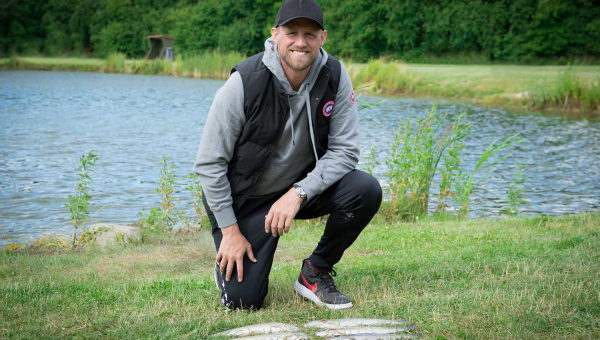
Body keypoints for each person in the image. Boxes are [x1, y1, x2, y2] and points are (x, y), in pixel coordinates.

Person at [193, 0, 382, 311]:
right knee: (244, 302)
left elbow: (346, 151)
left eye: (310, 34)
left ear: (323, 38)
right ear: (275, 35)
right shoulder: (243, 82)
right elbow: (209, 164)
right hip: (243, 198)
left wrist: (298, 192)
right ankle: (226, 263)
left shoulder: (334, 74)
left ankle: (315, 271)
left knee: (364, 189)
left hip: (293, 191)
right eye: (292, 32)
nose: (300, 42)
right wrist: (229, 231)